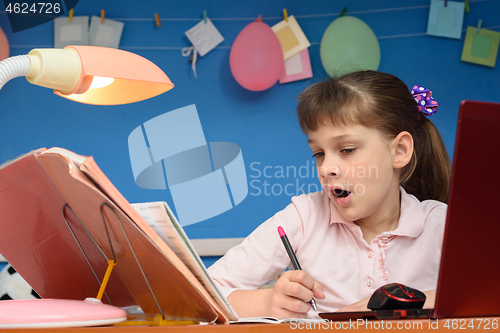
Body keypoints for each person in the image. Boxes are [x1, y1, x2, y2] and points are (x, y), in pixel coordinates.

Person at [207, 70, 452, 319]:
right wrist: (269, 302)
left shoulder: (442, 224)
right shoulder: (304, 217)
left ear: (399, 150)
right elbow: (204, 293)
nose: (326, 169)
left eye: (346, 149)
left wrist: (396, 302)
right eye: (319, 153)